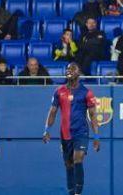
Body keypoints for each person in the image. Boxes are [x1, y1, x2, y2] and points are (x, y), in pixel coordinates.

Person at [42, 62, 101, 195]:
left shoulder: (86, 93)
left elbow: (93, 115)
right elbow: (52, 112)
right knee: (68, 165)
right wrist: (46, 130)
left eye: (72, 69)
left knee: (77, 158)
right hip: (65, 133)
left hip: (81, 132)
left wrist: (96, 137)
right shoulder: (59, 91)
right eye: (68, 69)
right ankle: (71, 192)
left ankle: (78, 193)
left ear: (78, 73)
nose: (69, 71)